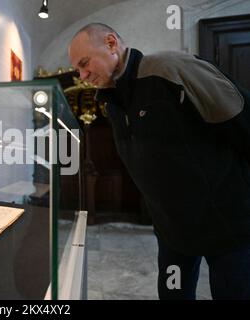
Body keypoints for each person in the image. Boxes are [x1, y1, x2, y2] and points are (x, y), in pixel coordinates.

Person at [68, 23, 250, 300]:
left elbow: (242, 122)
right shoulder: (111, 102)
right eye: (77, 70)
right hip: (173, 233)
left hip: (227, 226)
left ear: (110, 43)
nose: (82, 75)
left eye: (84, 63)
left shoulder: (171, 69)